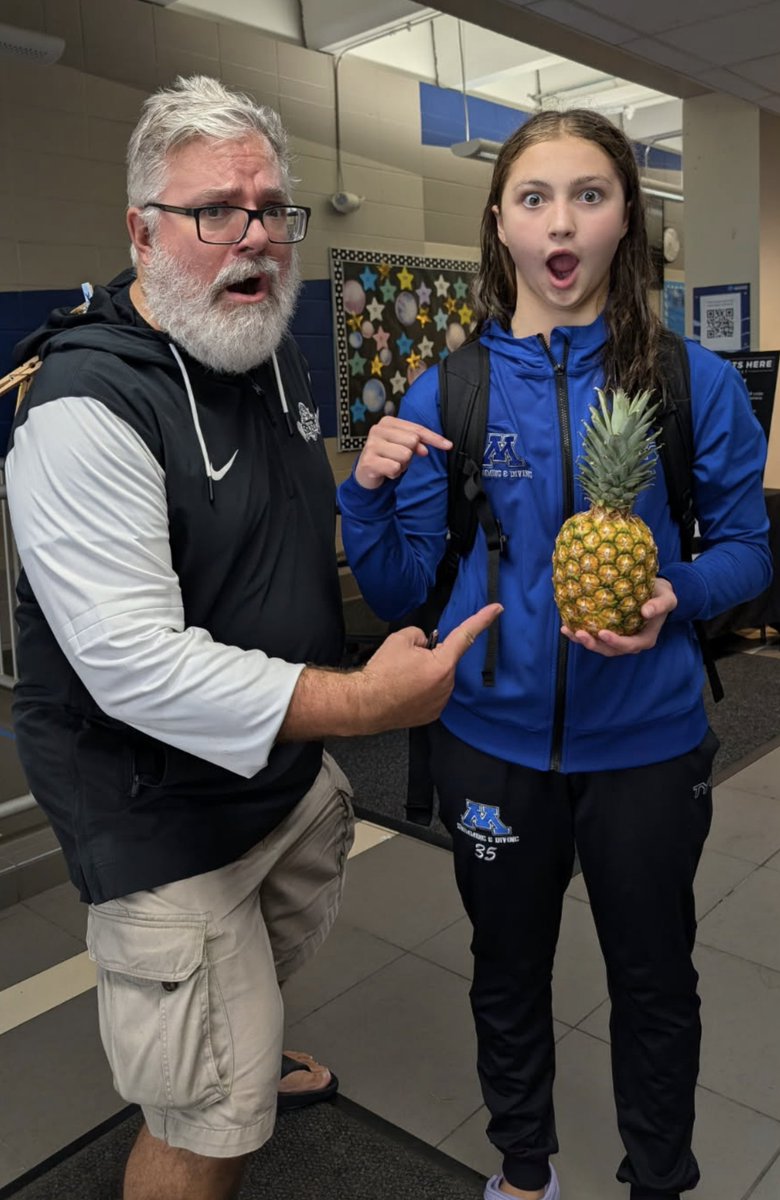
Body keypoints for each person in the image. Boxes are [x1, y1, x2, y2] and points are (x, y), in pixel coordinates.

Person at [4, 75, 500, 1200]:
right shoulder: (85, 407)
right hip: (159, 817)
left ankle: (245, 1042)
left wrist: (366, 478)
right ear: (141, 230)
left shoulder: (258, 347)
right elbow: (133, 663)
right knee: (206, 1124)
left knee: (246, 994)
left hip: (270, 785)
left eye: (274, 209)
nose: (258, 238)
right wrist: (368, 708)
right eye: (215, 211)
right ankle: (212, 1103)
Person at [337, 109, 772, 1200]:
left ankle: (659, 1180)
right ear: (501, 223)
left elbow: (752, 551)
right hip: (492, 743)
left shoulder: (692, 382)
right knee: (506, 970)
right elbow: (401, 593)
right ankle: (522, 1171)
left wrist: (675, 597)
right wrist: (364, 489)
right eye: (535, 198)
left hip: (649, 746)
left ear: (629, 216)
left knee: (656, 981)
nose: (562, 221)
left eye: (591, 193)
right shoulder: (453, 391)